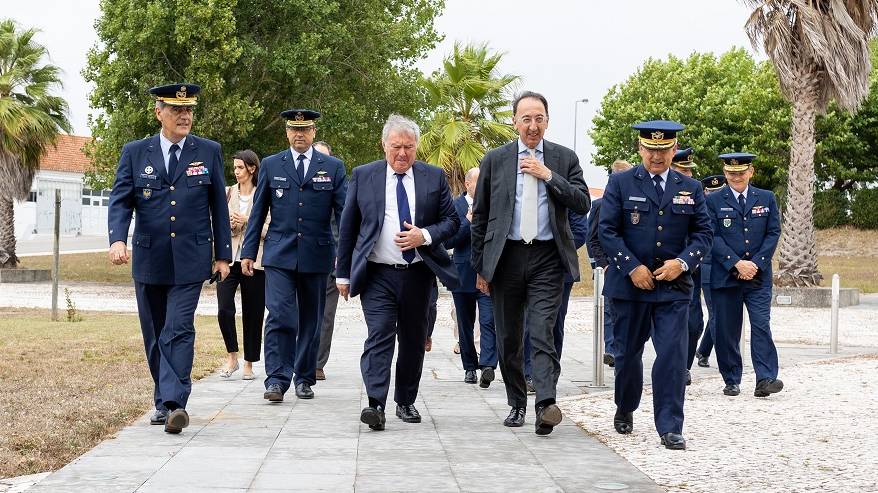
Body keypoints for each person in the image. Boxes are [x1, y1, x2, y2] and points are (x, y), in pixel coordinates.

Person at [107, 83, 232, 434]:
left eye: (189, 109)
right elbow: (120, 201)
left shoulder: (208, 151)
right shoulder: (135, 152)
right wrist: (117, 239)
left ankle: (175, 403)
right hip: (149, 258)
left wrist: (223, 255)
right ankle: (163, 398)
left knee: (178, 328)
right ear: (158, 112)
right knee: (154, 333)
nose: (185, 115)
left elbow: (218, 208)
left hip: (192, 258)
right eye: (177, 110)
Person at [470, 91, 590, 435]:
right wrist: (481, 266)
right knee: (508, 338)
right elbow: (481, 216)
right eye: (526, 119)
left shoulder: (564, 158)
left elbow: (582, 202)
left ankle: (545, 404)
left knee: (542, 331)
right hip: (506, 257)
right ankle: (517, 402)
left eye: (539, 118)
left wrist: (549, 176)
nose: (532, 125)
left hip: (547, 258)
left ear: (547, 121)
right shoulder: (495, 160)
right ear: (515, 122)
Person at [336, 114, 459, 431]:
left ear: (417, 147)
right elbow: (348, 228)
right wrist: (342, 274)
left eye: (409, 147)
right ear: (384, 145)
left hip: (419, 274)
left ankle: (405, 400)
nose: (402, 154)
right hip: (377, 274)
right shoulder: (365, 176)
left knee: (414, 340)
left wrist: (425, 235)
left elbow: (452, 221)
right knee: (379, 336)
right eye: (396, 147)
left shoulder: (433, 177)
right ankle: (375, 404)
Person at [598, 120, 712, 450]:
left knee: (672, 358)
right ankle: (625, 406)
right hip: (629, 287)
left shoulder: (690, 188)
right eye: (650, 149)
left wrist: (683, 262)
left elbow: (704, 234)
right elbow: (607, 230)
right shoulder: (620, 183)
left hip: (673, 290)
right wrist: (631, 267)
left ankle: (670, 426)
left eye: (663, 150)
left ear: (674, 150)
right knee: (628, 355)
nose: (656, 156)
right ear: (640, 148)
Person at [240, 109, 347, 402]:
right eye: (293, 129)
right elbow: (258, 211)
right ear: (286, 132)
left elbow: (344, 215)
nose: (299, 134)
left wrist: (345, 256)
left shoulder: (333, 167)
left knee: (311, 319)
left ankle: (304, 378)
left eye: (306, 129)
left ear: (314, 132)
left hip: (317, 255)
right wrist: (248, 251)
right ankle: (276, 379)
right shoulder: (273, 165)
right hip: (279, 254)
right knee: (279, 315)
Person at [707, 153, 783, 398]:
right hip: (726, 275)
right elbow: (712, 236)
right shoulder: (714, 200)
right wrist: (736, 263)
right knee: (727, 330)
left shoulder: (767, 198)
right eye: (731, 173)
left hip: (758, 276)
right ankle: (731, 378)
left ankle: (766, 378)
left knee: (761, 325)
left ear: (751, 172)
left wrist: (756, 264)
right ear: (725, 172)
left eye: (741, 172)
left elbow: (773, 232)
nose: (736, 177)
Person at [522, 208, 588, 392]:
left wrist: (552, 249)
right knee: (528, 322)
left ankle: (549, 374)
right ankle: (529, 372)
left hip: (559, 268)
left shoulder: (567, 187)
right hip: (524, 267)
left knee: (553, 324)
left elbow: (580, 232)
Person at [216, 150, 268, 381]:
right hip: (229, 260)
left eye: (240, 167)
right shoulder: (228, 193)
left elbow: (271, 229)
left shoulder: (263, 194)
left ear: (252, 168)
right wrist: (233, 225)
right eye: (234, 168)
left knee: (253, 312)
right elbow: (218, 226)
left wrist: (248, 221)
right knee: (224, 308)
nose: (236, 172)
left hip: (255, 261)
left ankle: (249, 362)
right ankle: (232, 356)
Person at [445, 168, 497, 386]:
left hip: (488, 273)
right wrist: (467, 221)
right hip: (463, 274)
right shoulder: (455, 206)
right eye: (478, 181)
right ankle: (469, 367)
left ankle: (487, 366)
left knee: (488, 321)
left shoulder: (493, 204)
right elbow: (448, 241)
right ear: (467, 184)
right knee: (465, 324)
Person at [586, 159, 633, 368]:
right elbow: (592, 238)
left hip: (631, 266)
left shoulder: (634, 201)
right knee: (608, 311)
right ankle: (611, 349)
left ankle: (625, 348)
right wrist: (602, 265)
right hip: (608, 266)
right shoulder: (599, 205)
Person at [672, 147, 702, 386]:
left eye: (690, 170)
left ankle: (684, 365)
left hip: (691, 268)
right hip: (662, 269)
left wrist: (688, 259)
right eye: (683, 170)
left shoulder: (693, 191)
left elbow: (703, 231)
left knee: (694, 324)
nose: (688, 174)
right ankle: (675, 365)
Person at [312, 140, 339, 381]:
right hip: (304, 261)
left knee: (326, 316)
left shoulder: (337, 184)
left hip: (330, 261)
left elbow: (344, 222)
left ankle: (318, 363)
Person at [694, 175, 726, 368]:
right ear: (705, 192)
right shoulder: (701, 208)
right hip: (707, 268)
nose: (715, 195)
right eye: (711, 192)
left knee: (719, 314)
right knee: (716, 315)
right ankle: (722, 359)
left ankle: (703, 350)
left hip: (726, 268)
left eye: (719, 191)